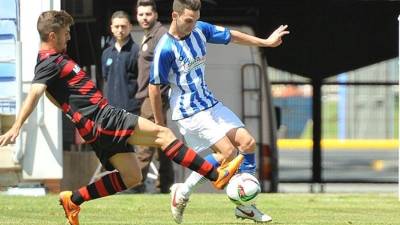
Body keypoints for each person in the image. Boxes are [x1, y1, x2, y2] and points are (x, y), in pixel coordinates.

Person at [0, 10, 243, 225]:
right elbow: (35, 92)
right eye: (65, 33)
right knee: (163, 134)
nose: (69, 37)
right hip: (102, 118)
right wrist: (17, 126)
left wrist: (71, 112)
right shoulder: (47, 62)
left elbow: (53, 96)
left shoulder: (55, 60)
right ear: (52, 36)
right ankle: (216, 175)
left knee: (132, 176)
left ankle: (73, 200)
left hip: (95, 123)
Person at [148, 0, 289, 223]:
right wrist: (159, 123)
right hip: (189, 111)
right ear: (175, 16)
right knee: (227, 154)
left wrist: (266, 42)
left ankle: (245, 207)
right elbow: (154, 88)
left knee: (248, 143)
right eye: (188, 20)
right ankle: (182, 192)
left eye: (195, 19)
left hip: (209, 103)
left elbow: (232, 36)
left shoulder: (200, 29)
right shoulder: (165, 48)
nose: (193, 24)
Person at [133, 0, 174, 193]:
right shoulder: (149, 35)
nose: (144, 18)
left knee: (145, 139)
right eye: (141, 14)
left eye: (148, 14)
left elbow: (166, 65)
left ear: (156, 15)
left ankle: (135, 183)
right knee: (161, 140)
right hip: (148, 95)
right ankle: (167, 184)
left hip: (154, 95)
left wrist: (159, 93)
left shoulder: (160, 35)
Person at [101, 11, 140, 114]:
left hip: (131, 110)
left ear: (130, 27)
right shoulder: (106, 53)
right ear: (111, 28)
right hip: (110, 110)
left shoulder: (136, 51)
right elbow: (105, 79)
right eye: (117, 26)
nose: (120, 30)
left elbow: (141, 81)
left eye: (123, 26)